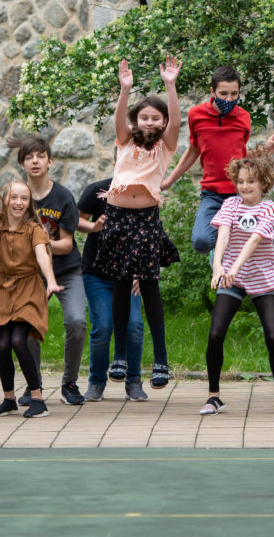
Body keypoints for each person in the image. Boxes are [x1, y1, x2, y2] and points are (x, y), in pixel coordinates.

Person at [95, 56, 182, 392]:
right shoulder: (125, 140)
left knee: (148, 284)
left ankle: (160, 360)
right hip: (117, 217)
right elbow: (119, 119)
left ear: (162, 122)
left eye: (155, 118)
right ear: (136, 120)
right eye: (144, 117)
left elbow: (177, 121)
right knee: (120, 283)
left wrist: (170, 86)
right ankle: (119, 356)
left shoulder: (165, 146)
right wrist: (125, 90)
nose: (149, 122)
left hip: (146, 218)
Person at [202, 156, 274, 416]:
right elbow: (223, 234)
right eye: (241, 181)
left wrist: (233, 268)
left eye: (251, 181)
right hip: (232, 278)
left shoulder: (271, 209)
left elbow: (254, 241)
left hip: (262, 277)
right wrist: (218, 266)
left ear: (263, 183)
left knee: (273, 336)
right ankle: (213, 397)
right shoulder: (231, 204)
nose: (244, 186)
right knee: (215, 334)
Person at [161, 66, 274, 253]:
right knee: (201, 243)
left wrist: (266, 150)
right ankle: (219, 251)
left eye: (234, 94)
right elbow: (194, 150)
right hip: (212, 193)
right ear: (212, 91)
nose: (229, 99)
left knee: (244, 246)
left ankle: (223, 260)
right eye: (223, 93)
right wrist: (169, 181)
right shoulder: (196, 115)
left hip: (240, 191)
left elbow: (239, 156)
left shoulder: (244, 117)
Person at [0, 181, 62, 419]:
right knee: (3, 344)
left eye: (24, 198)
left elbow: (42, 255)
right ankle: (9, 400)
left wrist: (51, 280)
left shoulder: (34, 229)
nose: (18, 202)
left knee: (18, 340)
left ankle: (38, 400)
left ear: (29, 203)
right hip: (5, 291)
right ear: (5, 200)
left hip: (29, 289)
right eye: (14, 197)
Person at [14, 137, 88, 406]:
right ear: (22, 164)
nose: (35, 161)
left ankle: (69, 383)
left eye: (40, 156)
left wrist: (42, 243)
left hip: (67, 270)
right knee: (28, 325)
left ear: (50, 161)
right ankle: (34, 385)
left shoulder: (63, 196)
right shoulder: (17, 197)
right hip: (31, 273)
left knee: (76, 322)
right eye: (29, 157)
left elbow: (66, 244)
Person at [77, 177, 146, 402]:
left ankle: (133, 381)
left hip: (129, 275)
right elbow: (76, 220)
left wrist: (142, 271)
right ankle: (96, 382)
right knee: (103, 327)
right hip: (96, 274)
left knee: (134, 325)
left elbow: (149, 235)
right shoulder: (97, 190)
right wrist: (94, 226)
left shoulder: (145, 193)